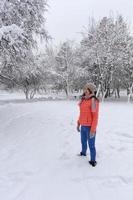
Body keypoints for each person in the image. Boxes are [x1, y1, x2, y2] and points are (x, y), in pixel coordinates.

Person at [77, 83, 99, 167]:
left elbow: (95, 116)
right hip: (83, 126)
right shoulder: (83, 100)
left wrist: (93, 129)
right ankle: (83, 153)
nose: (85, 91)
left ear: (91, 91)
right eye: (85, 89)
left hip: (90, 127)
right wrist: (78, 123)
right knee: (83, 141)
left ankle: (93, 160)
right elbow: (81, 113)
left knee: (91, 145)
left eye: (87, 89)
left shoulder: (93, 101)